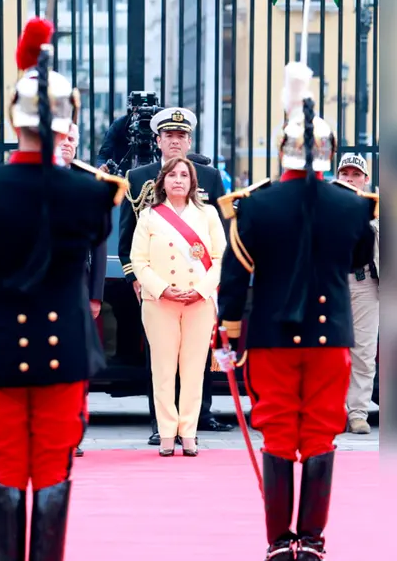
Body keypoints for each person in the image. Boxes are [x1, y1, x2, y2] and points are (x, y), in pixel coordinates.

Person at [0, 17, 127, 561]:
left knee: (4, 468)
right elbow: (88, 236)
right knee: (52, 466)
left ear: (13, 119)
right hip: (63, 354)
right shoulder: (92, 195)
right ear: (67, 121)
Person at [215, 60, 376, 561]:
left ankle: (279, 543)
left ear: (280, 150)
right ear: (329, 154)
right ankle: (313, 543)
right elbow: (356, 258)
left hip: (270, 337)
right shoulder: (354, 205)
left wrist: (230, 332)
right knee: (322, 433)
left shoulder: (254, 205)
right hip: (331, 337)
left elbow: (236, 275)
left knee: (280, 433)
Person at [118, 106, 233, 446]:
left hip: (199, 285)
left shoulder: (209, 178)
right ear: (158, 140)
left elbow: (220, 239)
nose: (175, 142)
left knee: (199, 358)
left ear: (189, 140)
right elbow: (128, 240)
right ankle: (161, 425)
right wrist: (137, 280)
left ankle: (198, 419)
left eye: (181, 136)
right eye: (168, 136)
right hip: (156, 286)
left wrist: (210, 286)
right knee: (161, 360)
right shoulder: (139, 178)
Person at [130, 157, 226, 456]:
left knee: (194, 371)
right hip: (160, 303)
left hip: (199, 302)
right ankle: (167, 433)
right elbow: (139, 261)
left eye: (184, 175)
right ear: (162, 181)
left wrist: (200, 290)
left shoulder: (207, 213)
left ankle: (189, 433)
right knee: (163, 370)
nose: (178, 180)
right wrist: (162, 289)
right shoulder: (149, 216)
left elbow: (221, 258)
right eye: (172, 175)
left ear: (192, 181)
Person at [58, 124, 106, 459]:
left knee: (76, 365)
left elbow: (99, 245)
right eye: (63, 139)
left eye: (73, 140)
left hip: (76, 288)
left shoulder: (88, 183)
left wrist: (95, 294)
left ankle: (73, 431)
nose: (68, 145)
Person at [334, 153, 379, 435]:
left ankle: (358, 412)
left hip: (365, 282)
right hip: (332, 283)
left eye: (356, 175)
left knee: (363, 351)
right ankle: (334, 409)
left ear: (365, 179)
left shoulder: (374, 207)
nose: (350, 179)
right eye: (345, 174)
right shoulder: (325, 205)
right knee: (332, 350)